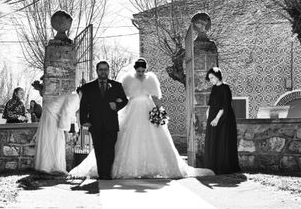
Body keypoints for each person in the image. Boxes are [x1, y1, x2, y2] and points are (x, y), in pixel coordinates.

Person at [69, 58, 214, 179]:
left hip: (147, 109)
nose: (140, 73)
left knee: (150, 137)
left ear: (145, 69)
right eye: (138, 71)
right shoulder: (127, 79)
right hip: (132, 111)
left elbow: (156, 97)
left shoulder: (151, 79)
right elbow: (121, 96)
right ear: (134, 69)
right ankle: (107, 171)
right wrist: (116, 106)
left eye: (142, 71)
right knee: (123, 139)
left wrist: (159, 111)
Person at [77, 60, 128, 180]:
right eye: (101, 69)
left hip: (111, 124)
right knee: (99, 150)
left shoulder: (116, 85)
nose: (103, 72)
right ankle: (102, 173)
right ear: (97, 71)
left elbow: (124, 100)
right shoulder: (88, 87)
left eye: (105, 69)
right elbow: (83, 106)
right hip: (95, 123)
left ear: (108, 70)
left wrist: (116, 105)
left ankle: (107, 174)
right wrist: (85, 121)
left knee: (109, 149)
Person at [204, 66, 241, 174]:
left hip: (223, 119)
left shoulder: (225, 88)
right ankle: (213, 166)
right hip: (213, 117)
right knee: (213, 140)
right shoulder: (214, 88)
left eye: (212, 78)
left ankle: (224, 166)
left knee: (222, 141)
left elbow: (225, 106)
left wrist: (216, 119)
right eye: (210, 78)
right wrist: (208, 115)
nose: (211, 81)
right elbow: (210, 104)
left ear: (218, 76)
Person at [33, 92, 80, 173]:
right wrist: (65, 131)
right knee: (53, 141)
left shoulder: (75, 98)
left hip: (53, 115)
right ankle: (47, 166)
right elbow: (66, 112)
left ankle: (52, 166)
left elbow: (71, 115)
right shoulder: (75, 97)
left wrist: (74, 129)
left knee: (54, 141)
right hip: (51, 115)